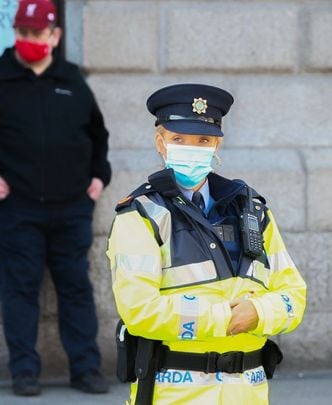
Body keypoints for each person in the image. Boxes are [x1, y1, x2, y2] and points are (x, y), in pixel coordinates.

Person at [107, 83, 307, 404]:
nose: (192, 148)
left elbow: (294, 297)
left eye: (203, 140)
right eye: (178, 140)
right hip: (175, 394)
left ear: (217, 145)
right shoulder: (141, 214)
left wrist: (258, 311)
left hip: (248, 394)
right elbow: (139, 310)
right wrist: (222, 319)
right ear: (161, 143)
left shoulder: (252, 212)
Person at [0, 0, 111, 397]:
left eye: (37, 33)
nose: (29, 40)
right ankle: (25, 372)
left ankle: (85, 369)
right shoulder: (2, 78)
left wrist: (100, 176)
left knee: (76, 289)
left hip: (71, 209)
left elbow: (98, 136)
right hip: (19, 211)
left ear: (55, 36)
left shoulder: (73, 81)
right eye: (23, 33)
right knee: (20, 290)